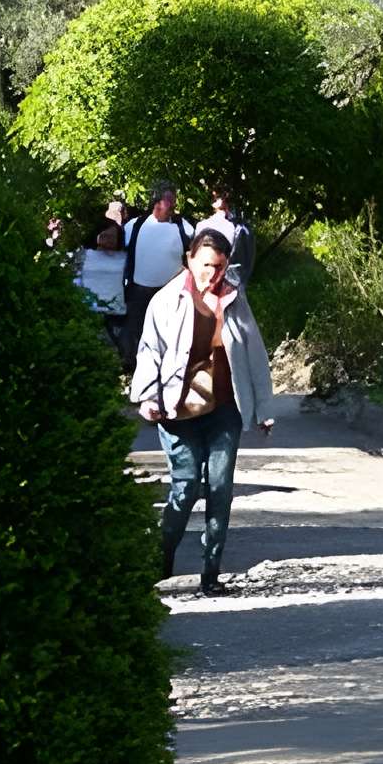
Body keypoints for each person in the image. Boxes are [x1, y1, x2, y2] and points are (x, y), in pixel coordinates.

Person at [130, 225, 275, 594]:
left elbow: (253, 351)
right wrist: (148, 398)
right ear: (190, 260)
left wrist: (263, 408)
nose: (213, 274)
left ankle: (211, 573)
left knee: (222, 486)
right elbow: (150, 351)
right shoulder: (165, 301)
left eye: (221, 267)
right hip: (178, 410)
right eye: (207, 265)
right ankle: (161, 558)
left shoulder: (234, 298)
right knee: (187, 485)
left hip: (225, 406)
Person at [76, 218, 134, 369]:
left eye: (112, 237)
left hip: (115, 315)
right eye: (105, 236)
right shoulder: (82, 256)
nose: (108, 240)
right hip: (86, 313)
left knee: (111, 361)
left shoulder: (126, 260)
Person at [126, 187, 190, 308]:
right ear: (156, 203)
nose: (173, 205)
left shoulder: (184, 227)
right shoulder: (134, 225)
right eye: (168, 201)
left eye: (173, 201)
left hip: (172, 294)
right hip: (139, 294)